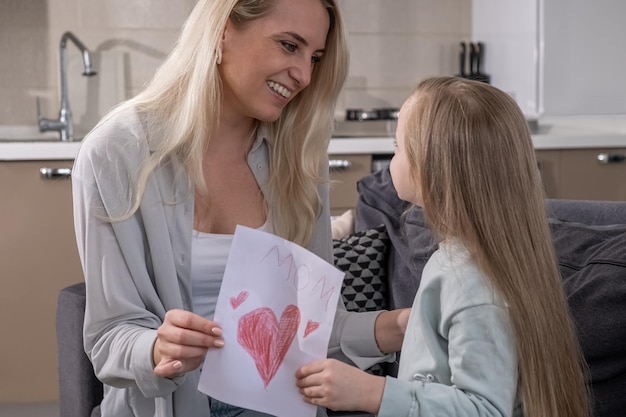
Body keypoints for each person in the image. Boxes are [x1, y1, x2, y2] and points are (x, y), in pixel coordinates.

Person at [71, 0, 410, 416]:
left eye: (315, 57)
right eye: (289, 46)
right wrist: (157, 347)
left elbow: (314, 333)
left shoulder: (300, 155)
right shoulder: (116, 153)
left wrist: (401, 326)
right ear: (223, 31)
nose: (304, 75)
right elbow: (109, 338)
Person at [295, 76, 592, 417]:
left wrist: (372, 392)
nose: (392, 160)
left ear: (431, 168)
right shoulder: (471, 262)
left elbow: (484, 409)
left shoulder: (471, 283)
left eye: (397, 147)